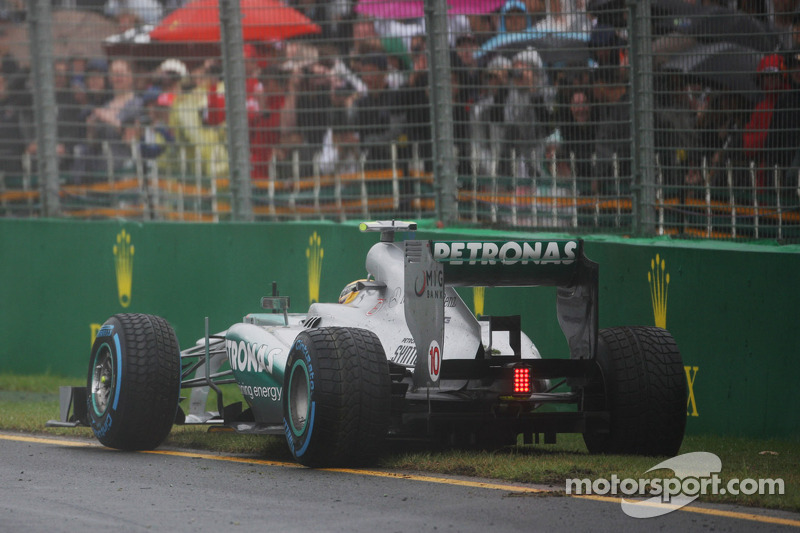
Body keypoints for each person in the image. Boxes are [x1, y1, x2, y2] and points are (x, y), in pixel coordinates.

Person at [743, 54, 790, 188]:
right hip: (764, 175)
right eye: (766, 76)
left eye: (773, 75)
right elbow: (748, 146)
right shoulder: (761, 108)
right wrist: (770, 136)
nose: (769, 80)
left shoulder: (792, 103)